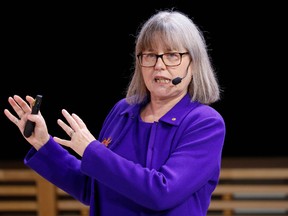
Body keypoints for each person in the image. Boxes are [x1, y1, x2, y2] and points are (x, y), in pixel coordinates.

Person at [4, 9, 225, 216]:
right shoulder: (123, 112)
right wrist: (43, 143)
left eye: (171, 55)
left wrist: (92, 150)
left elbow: (161, 193)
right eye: (149, 55)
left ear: (193, 64)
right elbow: (91, 188)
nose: (159, 65)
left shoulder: (205, 123)